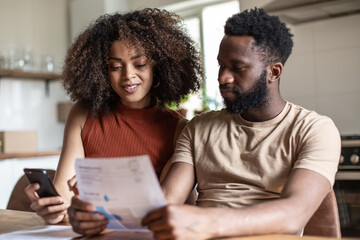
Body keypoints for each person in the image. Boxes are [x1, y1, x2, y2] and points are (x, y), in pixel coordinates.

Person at [69, 8, 341, 239]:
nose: (223, 78)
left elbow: (295, 213)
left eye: (237, 67)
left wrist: (207, 222)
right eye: (221, 65)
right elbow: (165, 201)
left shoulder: (314, 129)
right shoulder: (199, 127)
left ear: (273, 72)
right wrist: (100, 216)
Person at [24, 8, 202, 228]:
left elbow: (167, 206)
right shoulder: (82, 115)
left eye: (140, 64)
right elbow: (65, 198)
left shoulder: (177, 127)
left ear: (158, 66)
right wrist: (53, 212)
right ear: (102, 71)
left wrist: (103, 193)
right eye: (115, 67)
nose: (128, 75)